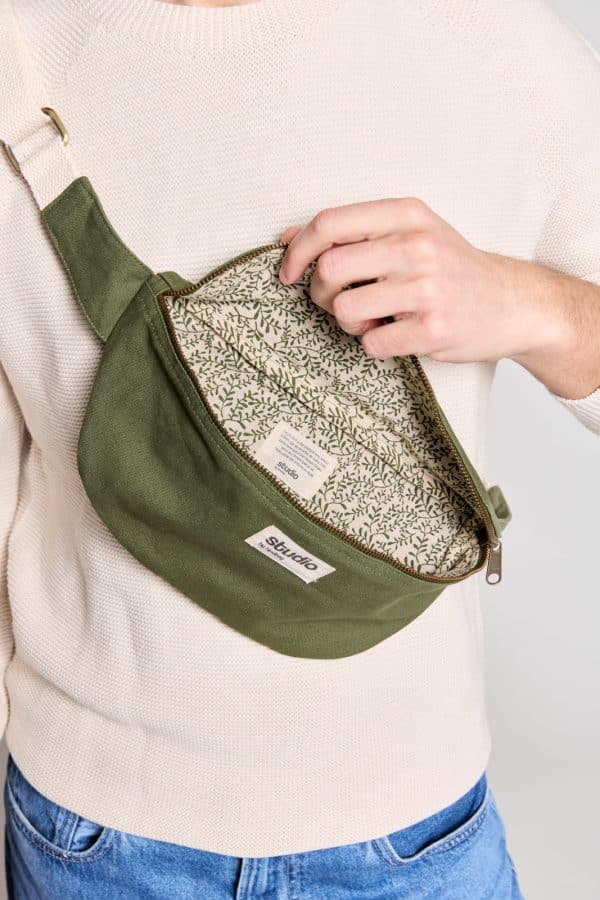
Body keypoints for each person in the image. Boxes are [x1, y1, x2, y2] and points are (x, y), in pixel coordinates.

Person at [0, 0, 598, 896]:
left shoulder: (501, 52)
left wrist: (533, 305)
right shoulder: (22, 55)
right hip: (87, 835)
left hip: (416, 839)